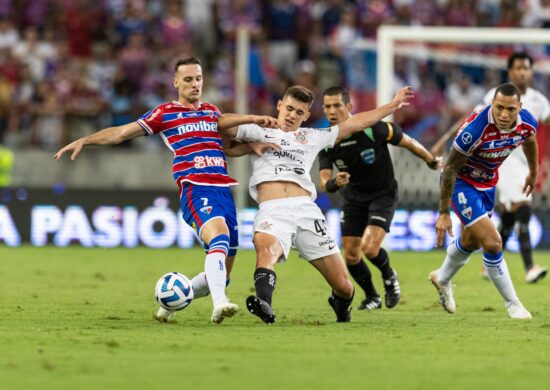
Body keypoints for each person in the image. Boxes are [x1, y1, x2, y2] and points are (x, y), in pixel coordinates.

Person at [54, 56, 279, 324]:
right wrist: (86, 140)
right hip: (196, 188)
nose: (195, 84)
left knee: (220, 273)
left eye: (198, 78)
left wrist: (250, 145)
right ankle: (220, 303)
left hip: (223, 191)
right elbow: (122, 133)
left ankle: (169, 305)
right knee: (217, 239)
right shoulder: (165, 113)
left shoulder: (210, 112)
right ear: (175, 82)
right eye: (188, 80)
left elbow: (226, 147)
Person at [227, 84, 413, 324]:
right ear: (279, 106)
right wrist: (251, 128)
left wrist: (392, 105)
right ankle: (264, 303)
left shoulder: (313, 137)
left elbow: (356, 123)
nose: (292, 115)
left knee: (345, 287)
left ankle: (339, 303)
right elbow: (219, 124)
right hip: (272, 210)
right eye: (289, 108)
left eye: (299, 112)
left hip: (306, 211)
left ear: (306, 117)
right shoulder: (259, 130)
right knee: (266, 251)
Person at [318, 86, 440, 311]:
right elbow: (324, 181)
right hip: (353, 198)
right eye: (327, 106)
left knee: (370, 248)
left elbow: (407, 141)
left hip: (382, 194)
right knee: (352, 255)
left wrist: (430, 159)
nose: (331, 110)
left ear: (349, 107)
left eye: (337, 105)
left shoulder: (373, 128)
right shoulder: (325, 141)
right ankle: (372, 296)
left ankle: (389, 276)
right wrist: (335, 183)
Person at [432, 52, 549, 284]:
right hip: (497, 160)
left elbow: (533, 135)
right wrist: (443, 139)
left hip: (520, 161)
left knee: (508, 214)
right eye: (517, 68)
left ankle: (488, 263)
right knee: (522, 206)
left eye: (526, 68)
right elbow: (471, 120)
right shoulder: (491, 96)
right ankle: (529, 267)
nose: (522, 72)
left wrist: (534, 169)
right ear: (510, 71)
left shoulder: (539, 101)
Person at [431, 82, 537, 320]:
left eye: (510, 109)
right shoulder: (474, 130)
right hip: (462, 182)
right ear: (492, 103)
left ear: (520, 107)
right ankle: (514, 305)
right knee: (492, 243)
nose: (503, 114)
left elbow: (530, 140)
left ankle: (442, 277)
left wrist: (533, 172)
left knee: (471, 241)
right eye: (499, 107)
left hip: (487, 184)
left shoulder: (527, 122)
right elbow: (449, 170)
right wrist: (444, 213)